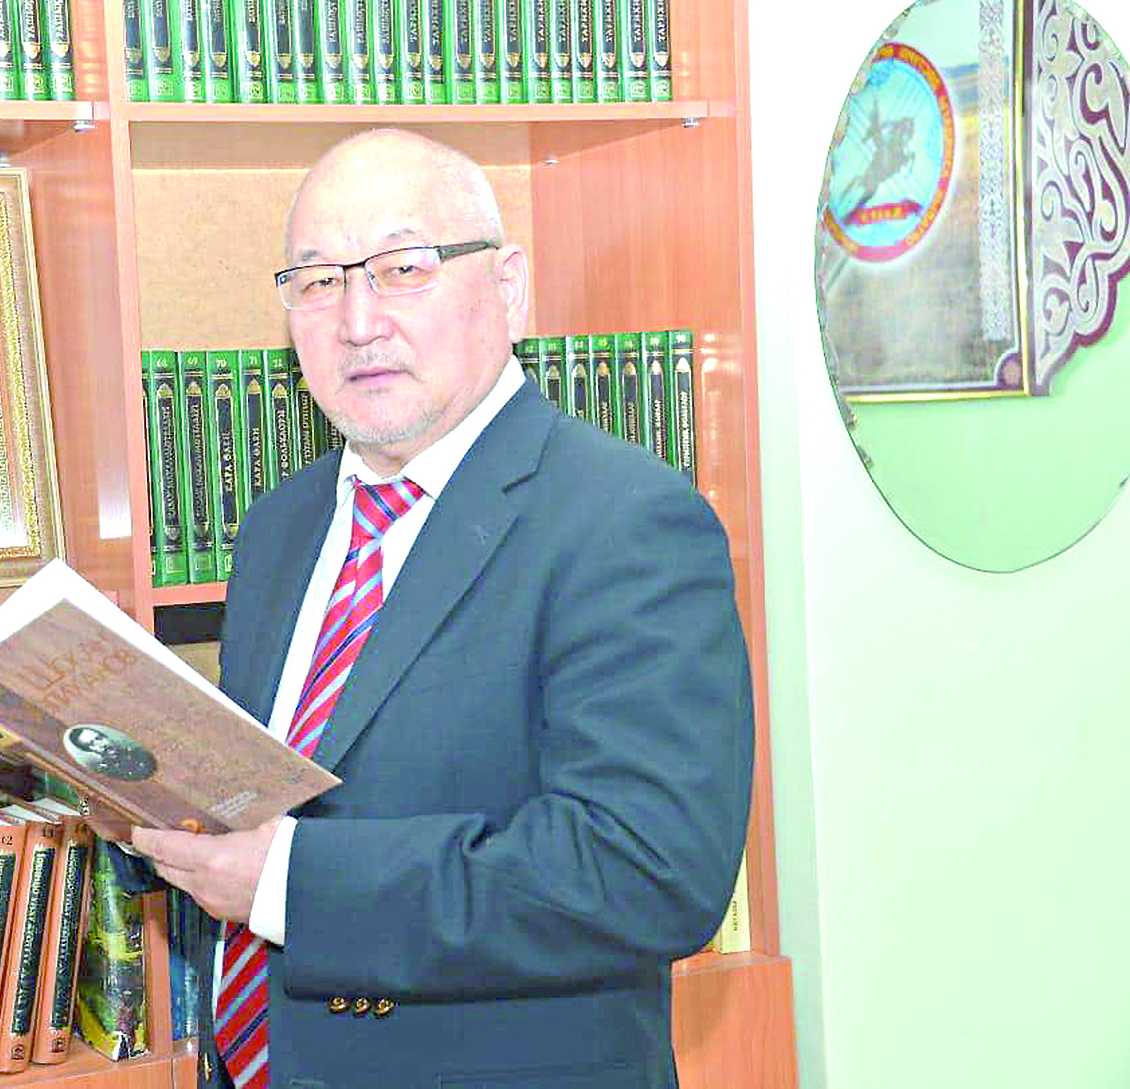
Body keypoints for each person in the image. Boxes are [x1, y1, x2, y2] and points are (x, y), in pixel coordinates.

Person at [126, 128, 754, 1088]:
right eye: (318, 281)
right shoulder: (279, 527)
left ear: (508, 287)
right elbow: (261, 796)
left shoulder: (625, 520)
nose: (358, 320)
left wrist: (292, 884)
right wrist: (138, 793)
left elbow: (646, 868)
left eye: (403, 268)